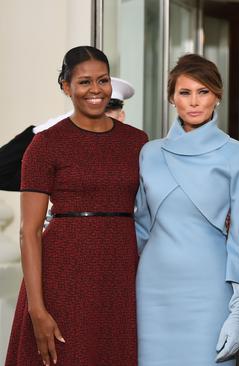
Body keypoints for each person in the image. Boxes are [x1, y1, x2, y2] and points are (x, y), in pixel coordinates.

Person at [4, 46, 148, 366]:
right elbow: (29, 231)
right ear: (66, 87)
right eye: (84, 82)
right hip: (62, 275)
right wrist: (37, 309)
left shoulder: (137, 142)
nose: (95, 90)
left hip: (120, 274)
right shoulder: (45, 144)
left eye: (103, 80)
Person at [135, 53, 239, 365]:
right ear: (172, 98)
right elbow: (139, 229)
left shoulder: (238, 154)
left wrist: (238, 311)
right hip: (152, 290)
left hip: (211, 289)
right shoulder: (149, 152)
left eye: (204, 92)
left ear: (217, 96)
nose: (194, 102)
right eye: (185, 92)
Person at [0, 77, 135, 191]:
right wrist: (42, 129)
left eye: (107, 111)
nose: (99, 117)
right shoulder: (64, 155)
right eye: (92, 110)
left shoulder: (134, 149)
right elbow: (3, 173)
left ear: (121, 116)